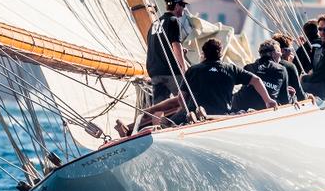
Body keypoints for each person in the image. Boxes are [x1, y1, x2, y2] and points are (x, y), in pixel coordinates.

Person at [117, 39, 277, 137]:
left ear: (204, 54)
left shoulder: (194, 70)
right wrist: (268, 100)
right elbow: (256, 80)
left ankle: (149, 127)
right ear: (220, 54)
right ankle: (161, 123)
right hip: (222, 114)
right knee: (180, 112)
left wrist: (181, 108)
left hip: (192, 114)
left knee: (174, 116)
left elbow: (181, 98)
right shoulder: (231, 69)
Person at [145, 0, 188, 104]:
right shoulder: (173, 20)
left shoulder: (154, 24)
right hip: (171, 71)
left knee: (159, 106)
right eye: (183, 5)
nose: (184, 8)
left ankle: (157, 122)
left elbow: (156, 46)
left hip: (155, 72)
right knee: (185, 101)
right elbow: (176, 46)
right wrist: (184, 68)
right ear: (177, 5)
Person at [232, 39, 290, 111]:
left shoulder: (248, 67)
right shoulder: (281, 69)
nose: (281, 54)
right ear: (273, 54)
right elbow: (285, 100)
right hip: (264, 107)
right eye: (279, 51)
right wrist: (292, 96)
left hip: (239, 106)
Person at [272, 33, 307, 101]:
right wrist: (308, 96)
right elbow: (300, 96)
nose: (291, 53)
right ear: (282, 51)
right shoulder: (289, 66)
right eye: (290, 49)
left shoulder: (263, 64)